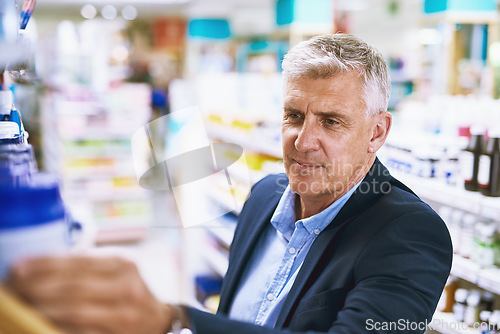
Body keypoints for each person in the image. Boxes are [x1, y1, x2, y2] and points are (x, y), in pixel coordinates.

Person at [7, 34, 452, 334]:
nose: (303, 140)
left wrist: (174, 318)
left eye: (331, 122)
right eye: (294, 116)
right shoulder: (263, 196)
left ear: (377, 132)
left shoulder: (411, 235)